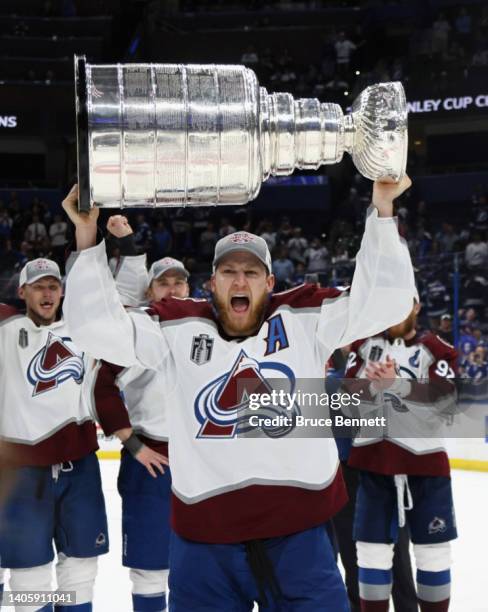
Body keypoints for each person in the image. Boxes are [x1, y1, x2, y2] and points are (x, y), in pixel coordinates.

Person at [63, 177, 416, 611]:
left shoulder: (305, 317)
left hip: (300, 535)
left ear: (269, 282)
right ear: (211, 283)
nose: (239, 280)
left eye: (250, 272)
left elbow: (386, 302)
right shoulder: (175, 326)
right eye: (229, 271)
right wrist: (86, 235)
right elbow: (95, 329)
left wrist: (382, 209)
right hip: (205, 543)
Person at [90, 214, 189, 612]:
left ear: (190, 285)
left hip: (201, 458)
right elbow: (102, 385)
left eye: (178, 280)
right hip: (152, 461)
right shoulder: (136, 329)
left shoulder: (213, 328)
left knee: (204, 562)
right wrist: (131, 443)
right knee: (150, 568)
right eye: (162, 282)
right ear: (149, 290)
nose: (171, 287)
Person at [0, 255, 109, 612]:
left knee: (81, 567)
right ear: (22, 292)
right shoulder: (6, 326)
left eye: (53, 285)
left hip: (79, 466)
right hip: (21, 471)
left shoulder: (86, 329)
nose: (47, 293)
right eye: (38, 287)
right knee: (29, 574)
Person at [344, 297, 458, 612]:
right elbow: (346, 402)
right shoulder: (364, 346)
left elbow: (447, 400)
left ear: (418, 306)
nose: (396, 308)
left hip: (426, 467)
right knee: (370, 553)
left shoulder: (437, 348)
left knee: (433, 553)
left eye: (404, 301)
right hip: (372, 466)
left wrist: (398, 385)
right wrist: (370, 388)